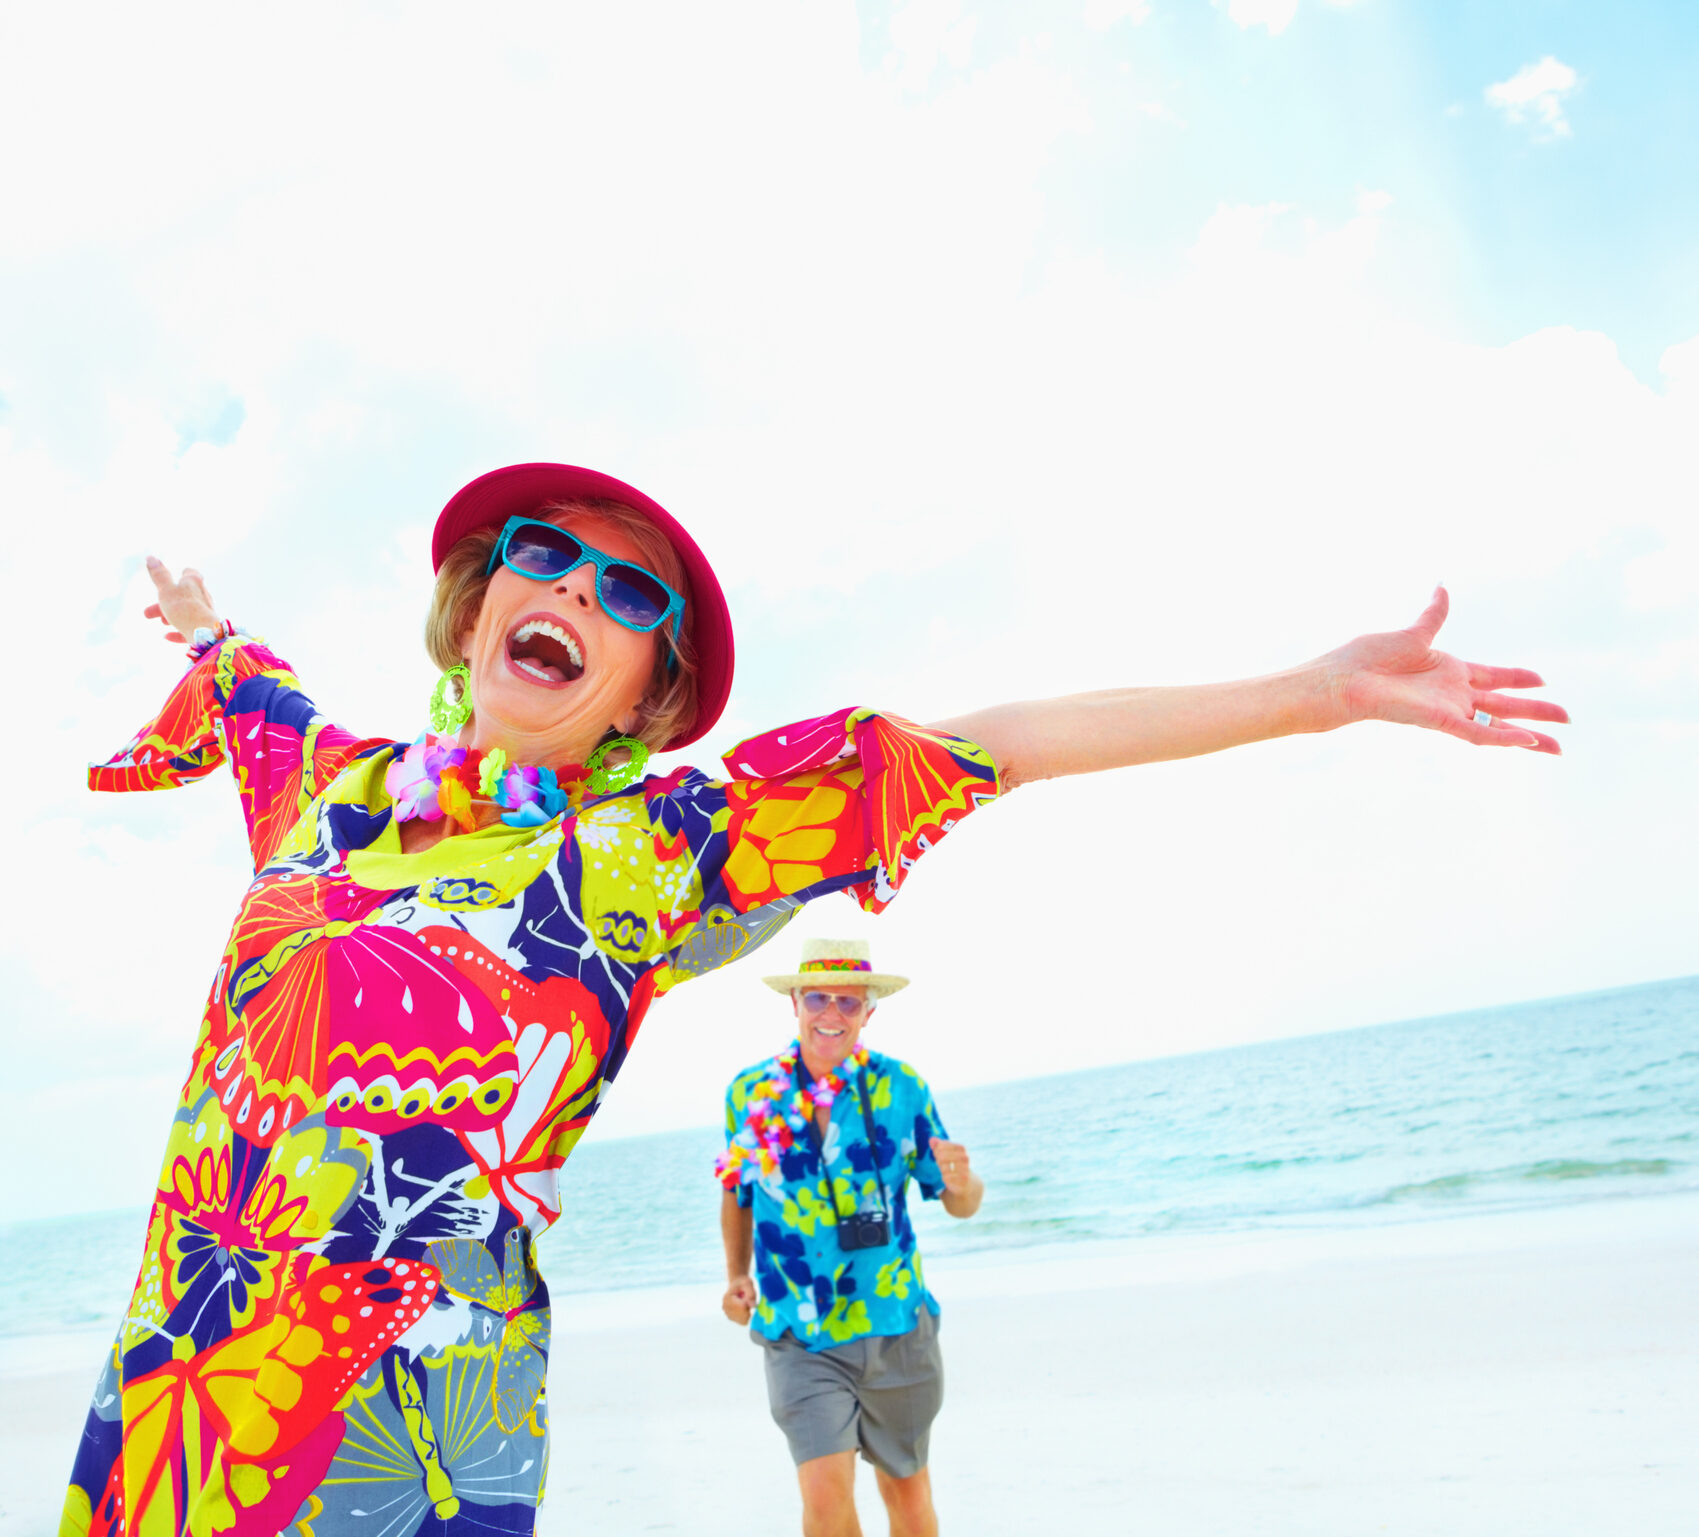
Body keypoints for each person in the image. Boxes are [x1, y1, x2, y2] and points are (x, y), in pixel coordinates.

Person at [58, 459, 1566, 1537]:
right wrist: (205, 629)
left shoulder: (642, 854)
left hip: (409, 1406)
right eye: (538, 551)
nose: (570, 585)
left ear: (646, 691)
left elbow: (988, 742)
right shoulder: (320, 791)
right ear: (472, 607)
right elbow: (246, 676)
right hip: (182, 1366)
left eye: (624, 589)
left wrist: (1308, 694)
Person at [718, 939, 981, 1537]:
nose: (831, 1014)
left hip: (894, 1325)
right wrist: (737, 1275)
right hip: (798, 1331)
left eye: (848, 1003)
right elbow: (736, 1192)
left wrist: (967, 1184)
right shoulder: (749, 1093)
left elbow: (958, 1201)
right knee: (823, 1500)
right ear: (795, 1002)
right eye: (818, 998)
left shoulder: (902, 1088)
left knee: (908, 1496)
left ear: (869, 1012)